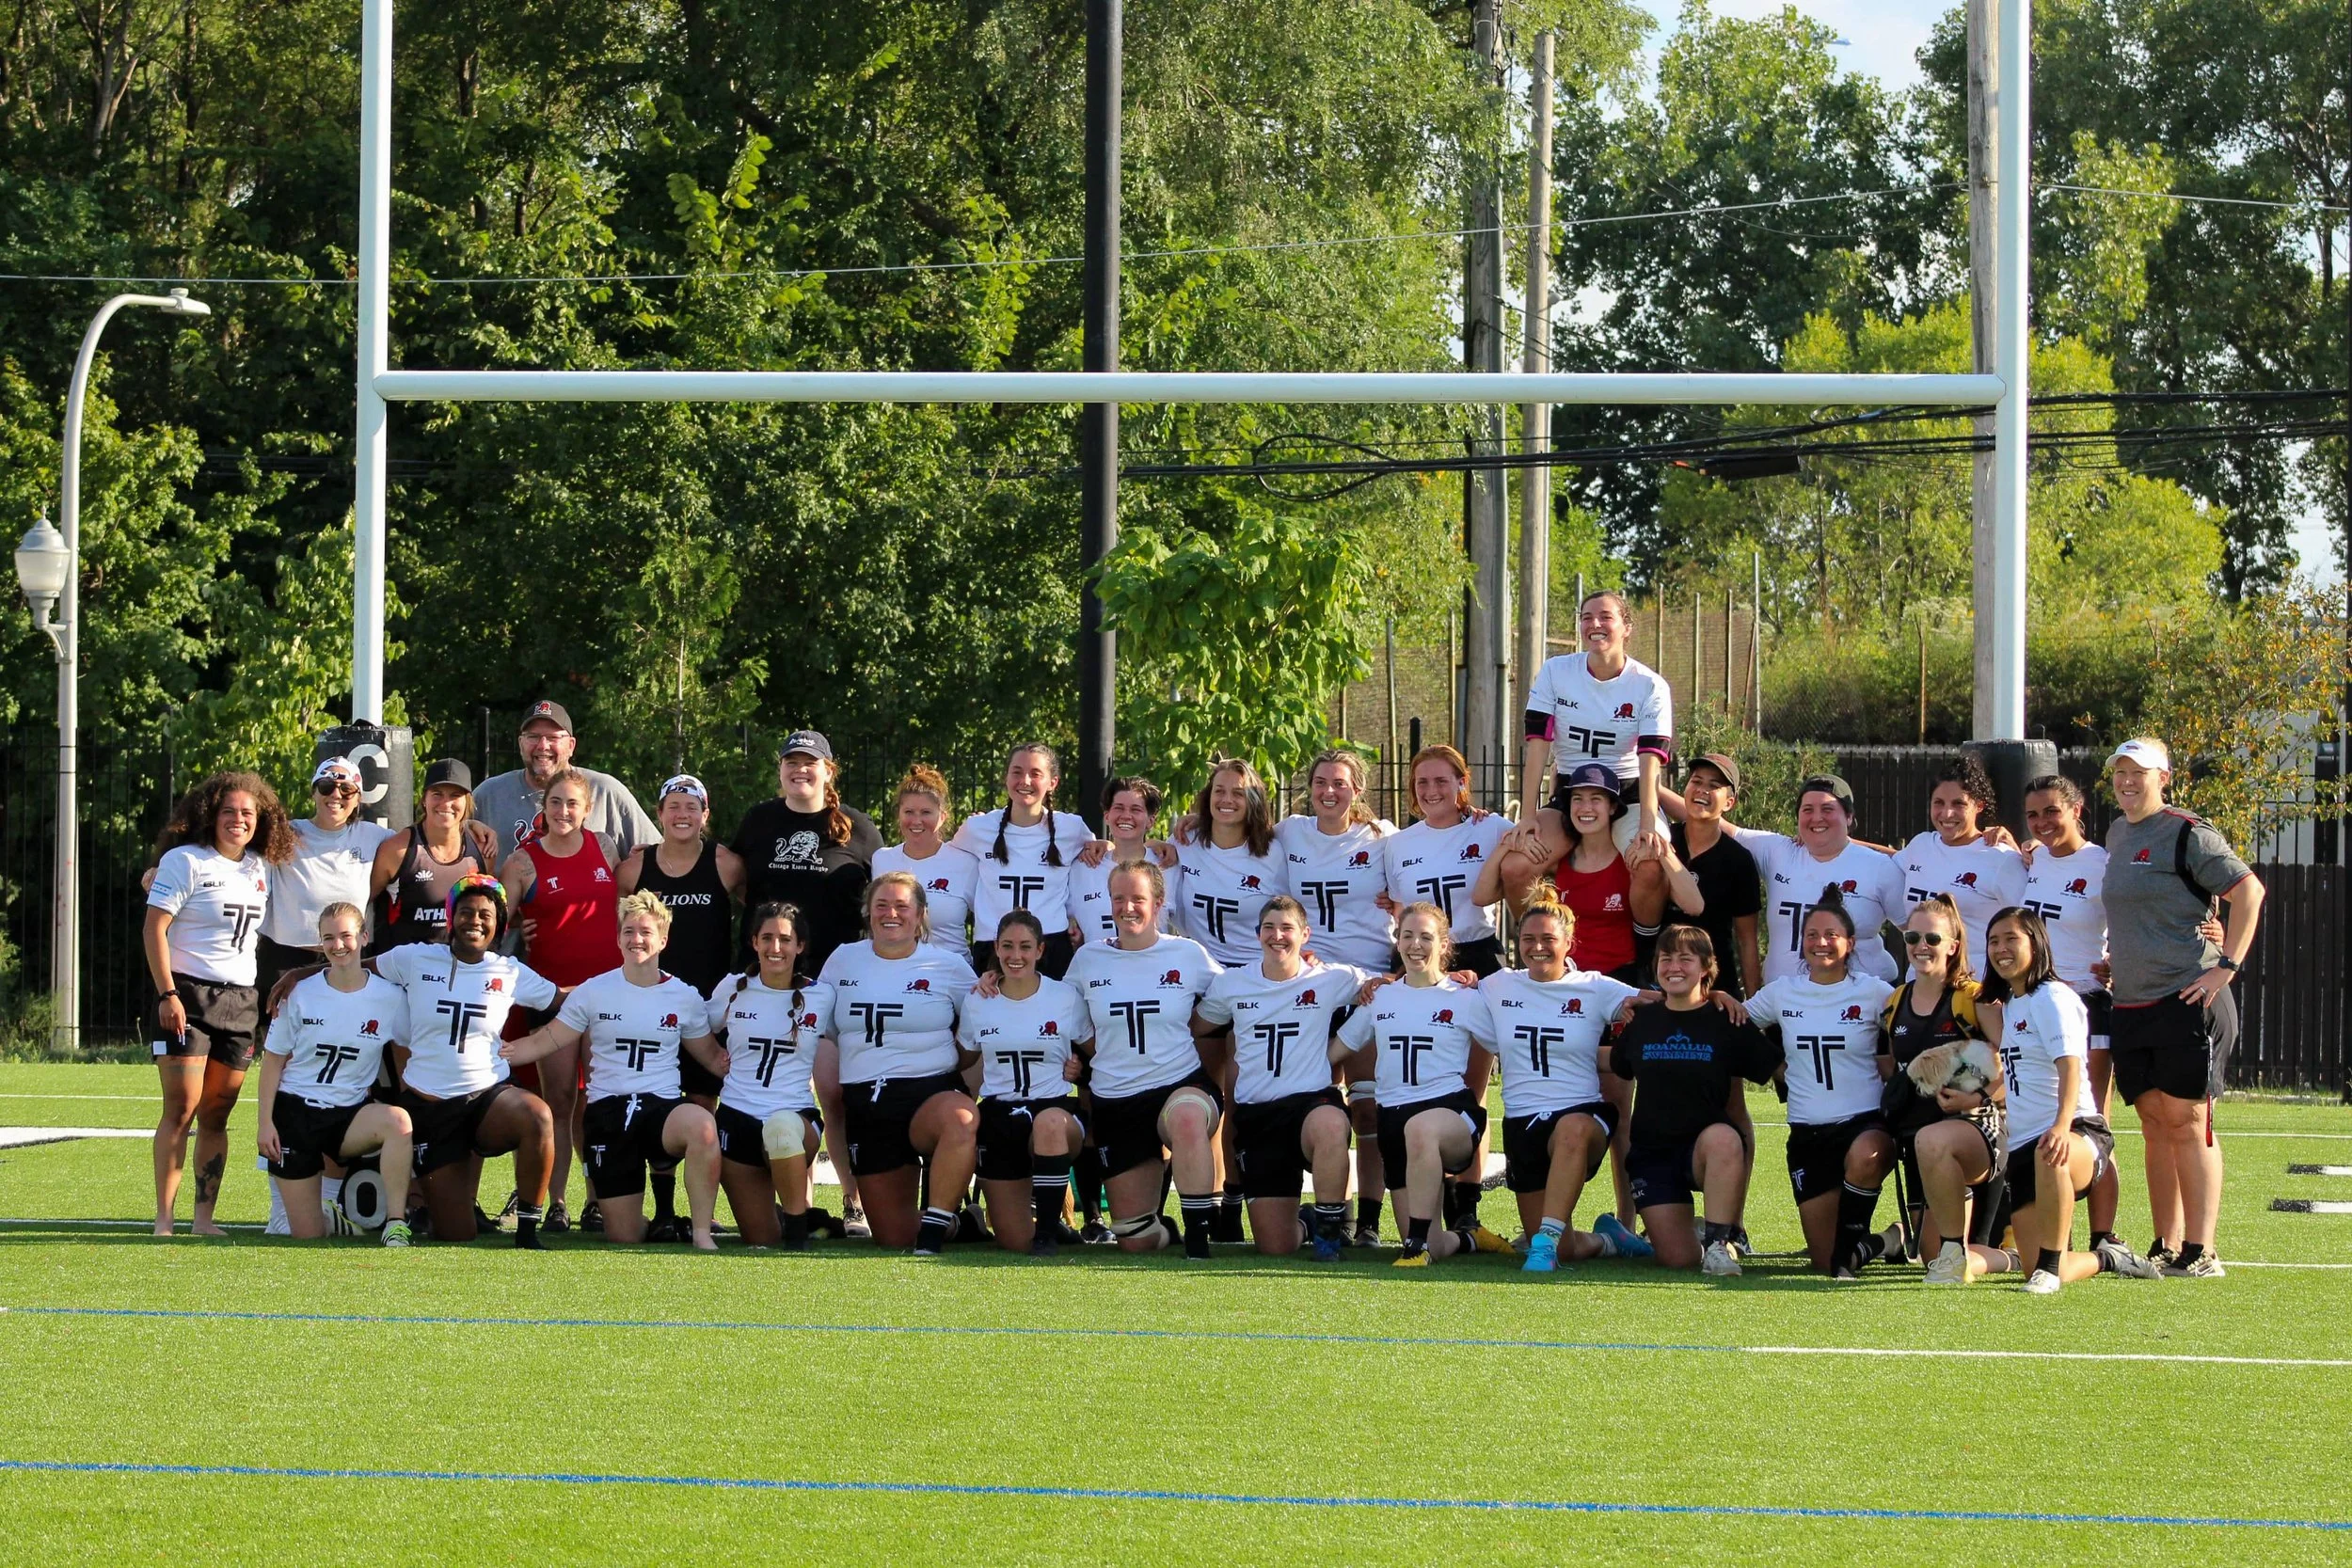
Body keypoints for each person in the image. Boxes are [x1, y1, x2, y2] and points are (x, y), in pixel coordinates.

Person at [2101, 737, 2265, 1278]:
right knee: (2152, 1122)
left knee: (2188, 1121)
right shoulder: (2118, 832)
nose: (2127, 781)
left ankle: (2202, 1249)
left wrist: (2228, 965)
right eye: (2120, 772)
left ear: (2163, 777)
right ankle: (2164, 1244)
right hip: (2130, 1002)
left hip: (2188, 997)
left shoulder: (2188, 831)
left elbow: (2249, 891)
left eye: (2138, 772)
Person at [502, 892, 727, 1250]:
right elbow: (547, 1040)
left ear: (663, 940)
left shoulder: (683, 996)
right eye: (628, 931)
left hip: (660, 1111)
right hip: (608, 1113)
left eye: (645, 932)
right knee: (624, 1236)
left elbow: (713, 1058)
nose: (636, 939)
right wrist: (497, 1055)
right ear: (618, 938)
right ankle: (661, 1224)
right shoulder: (594, 991)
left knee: (702, 1125)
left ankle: (701, 1233)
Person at [730, 729, 884, 1236]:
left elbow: (882, 900)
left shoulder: (859, 829)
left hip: (835, 982)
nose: (801, 770)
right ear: (780, 770)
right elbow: (730, 882)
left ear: (828, 771)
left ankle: (853, 1199)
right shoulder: (759, 821)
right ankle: (796, 1198)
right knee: (770, 1088)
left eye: (810, 762)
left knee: (835, 1094)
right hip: (772, 981)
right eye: (791, 762)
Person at [366, 876, 559, 1247]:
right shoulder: (415, 957)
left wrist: (621, 989)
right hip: (431, 1108)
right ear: (451, 918)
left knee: (538, 1115)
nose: (475, 920)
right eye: (466, 912)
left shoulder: (510, 970)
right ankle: (439, 1200)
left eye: (486, 914)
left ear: (499, 924)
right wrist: (298, 977)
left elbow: (563, 1002)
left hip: (488, 1100)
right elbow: (358, 971)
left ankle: (527, 1232)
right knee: (456, 1234)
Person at [144, 770, 296, 1237]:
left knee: (217, 1114)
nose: (238, 820)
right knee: (182, 1108)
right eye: (229, 811)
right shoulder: (184, 861)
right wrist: (168, 994)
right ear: (211, 815)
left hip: (241, 1000)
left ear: (260, 821)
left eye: (248, 813)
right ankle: (165, 1218)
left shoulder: (261, 866)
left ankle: (203, 1220)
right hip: (189, 994)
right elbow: (154, 929)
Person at [1980, 906, 2161, 1294]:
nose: (2000, 949)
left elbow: (2071, 1067)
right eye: (1993, 941)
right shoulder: (2012, 1004)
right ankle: (2108, 1257)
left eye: (2011, 938)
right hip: (2026, 1146)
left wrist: (2061, 1126)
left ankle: (2051, 1265)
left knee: (2050, 1153)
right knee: (2041, 1270)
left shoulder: (2053, 997)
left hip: (2076, 1132)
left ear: (2037, 943)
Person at [1061, 861, 1226, 1258]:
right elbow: (1054, 1010)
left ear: (1158, 902)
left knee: (1187, 1117)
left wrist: (1299, 967)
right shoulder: (1088, 959)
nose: (1128, 907)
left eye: (1138, 898)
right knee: (1135, 1241)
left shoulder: (1187, 954)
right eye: (1119, 898)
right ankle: (1166, 1230)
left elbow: (1236, 992)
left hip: (1179, 1082)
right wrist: (993, 981)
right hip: (1116, 1098)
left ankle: (1200, 1236)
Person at [1480, 888, 1648, 1273]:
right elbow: (1446, 993)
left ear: (1569, 942)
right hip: (1522, 1121)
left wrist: (1716, 997)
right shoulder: (1498, 985)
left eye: (1548, 939)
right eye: (1528, 939)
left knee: (1572, 1130)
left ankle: (1544, 1246)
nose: (1537, 947)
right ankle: (1609, 1240)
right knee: (1568, 1247)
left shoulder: (1595, 986)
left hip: (1582, 1113)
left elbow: (1658, 1002)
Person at [1334, 903, 1512, 1267]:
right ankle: (1466, 1239)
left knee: (1421, 1129)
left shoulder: (1463, 996)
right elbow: (1338, 1049)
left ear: (1444, 945)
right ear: (1397, 941)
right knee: (1434, 1240)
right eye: (1408, 935)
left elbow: (1507, 1045)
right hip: (1392, 1121)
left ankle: (1415, 1248)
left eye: (1426, 937)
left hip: (1451, 1113)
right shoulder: (1380, 996)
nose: (1416, 944)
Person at [815, 871, 982, 1255]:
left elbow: (982, 1023)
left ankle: (936, 1227)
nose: (892, 914)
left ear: (921, 914)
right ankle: (963, 1222)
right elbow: (821, 1027)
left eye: (902, 906)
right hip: (867, 1102)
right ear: (868, 913)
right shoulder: (843, 959)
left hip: (929, 1092)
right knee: (892, 1237)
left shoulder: (949, 966)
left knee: (962, 1119)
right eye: (882, 905)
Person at [1382, 744, 1510, 1231]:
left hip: (1475, 956)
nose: (1432, 790)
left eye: (1442, 780)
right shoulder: (1397, 844)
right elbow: (1392, 904)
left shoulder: (1491, 826)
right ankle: (1420, 1197)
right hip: (1418, 960)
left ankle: (1467, 1209)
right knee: (1419, 1078)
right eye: (1422, 782)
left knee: (1471, 1089)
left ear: (1462, 783)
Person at [1194, 896, 1362, 1259]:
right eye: (1269, 928)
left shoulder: (1332, 978)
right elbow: (1197, 1025)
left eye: (1287, 928)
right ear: (1258, 934)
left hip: (1311, 1103)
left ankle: (1331, 1235)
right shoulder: (1232, 984)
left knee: (1332, 1125)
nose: (1277, 936)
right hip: (1260, 1115)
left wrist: (1450, 979)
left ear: (1305, 934)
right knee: (1276, 1246)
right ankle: (1307, 1222)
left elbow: (1384, 990)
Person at [1274, 749, 1394, 1242]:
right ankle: (1331, 1214)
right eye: (1320, 781)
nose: (1329, 790)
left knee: (1366, 1107)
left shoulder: (1384, 838)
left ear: (1357, 790)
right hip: (1310, 986)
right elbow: (1234, 830)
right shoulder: (1290, 832)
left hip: (1366, 987)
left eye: (1340, 783)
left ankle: (1367, 1222)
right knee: (1314, 1102)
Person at [1611, 925, 1778, 1276]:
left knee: (1724, 1137)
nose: (1674, 967)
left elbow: (1776, 1067)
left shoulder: (1727, 1017)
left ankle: (1718, 1244)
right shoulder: (1641, 1019)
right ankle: (1693, 1232)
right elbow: (1616, 1066)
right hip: (1652, 1155)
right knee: (1678, 1259)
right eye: (1666, 958)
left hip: (1704, 1152)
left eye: (1685, 959)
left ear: (1706, 967)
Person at [1746, 883, 1896, 1276]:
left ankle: (1854, 1247)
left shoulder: (1875, 992)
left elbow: (1913, 1027)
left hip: (1863, 1125)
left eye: (1831, 935)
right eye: (1812, 935)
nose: (1821, 943)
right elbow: (1735, 1028)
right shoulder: (1782, 993)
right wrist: (1776, 1069)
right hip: (1808, 1133)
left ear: (1849, 943)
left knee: (1867, 1157)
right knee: (1823, 1260)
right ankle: (1887, 1240)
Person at [499, 766, 624, 1233]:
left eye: (573, 804)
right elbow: (492, 918)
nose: (564, 811)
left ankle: (596, 1199)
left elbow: (633, 901)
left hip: (605, 992)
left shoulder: (605, 848)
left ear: (586, 809)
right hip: (552, 996)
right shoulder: (524, 862)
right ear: (543, 808)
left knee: (597, 1099)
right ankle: (555, 1201)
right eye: (555, 803)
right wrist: (514, 925)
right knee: (558, 1099)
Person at [254, 902, 415, 1244]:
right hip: (295, 1113)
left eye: (346, 936)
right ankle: (328, 1217)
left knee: (399, 1122)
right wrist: (264, 1123)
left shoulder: (390, 998)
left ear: (364, 937)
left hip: (348, 1116)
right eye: (329, 938)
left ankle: (396, 1224)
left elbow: (417, 1044)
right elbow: (272, 1061)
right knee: (305, 1236)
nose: (338, 945)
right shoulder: (300, 993)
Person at [1879, 896, 2013, 1285]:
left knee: (1949, 1259)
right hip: (1917, 1140)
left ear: (1953, 945)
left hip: (1977, 1132)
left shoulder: (1975, 997)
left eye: (1933, 939)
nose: (1921, 946)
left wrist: (1977, 1097)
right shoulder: (1895, 1001)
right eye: (1912, 936)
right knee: (1930, 1258)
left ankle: (2011, 1257)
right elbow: (1890, 1065)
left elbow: (2013, 1064)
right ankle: (2006, 1255)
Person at [958, 911, 1094, 1256]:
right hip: (999, 1113)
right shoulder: (978, 999)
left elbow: (1096, 1050)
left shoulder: (1064, 997)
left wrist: (1080, 1068)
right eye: (1007, 946)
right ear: (996, 948)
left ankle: (1047, 1232)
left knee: (1049, 1124)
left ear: (1040, 950)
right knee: (1014, 1241)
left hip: (1054, 1109)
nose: (1015, 956)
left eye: (1025, 946)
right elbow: (962, 1058)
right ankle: (1049, 1226)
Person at [618, 773, 747, 1114]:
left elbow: (761, 915)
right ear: (659, 814)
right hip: (650, 1003)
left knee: (703, 1101)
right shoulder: (634, 869)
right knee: (651, 1099)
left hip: (708, 1006)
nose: (682, 814)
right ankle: (661, 1170)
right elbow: (606, 920)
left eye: (692, 807)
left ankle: (703, 1168)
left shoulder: (726, 865)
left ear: (705, 815)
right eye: (673, 806)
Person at [706, 901, 832, 1249]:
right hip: (736, 1117)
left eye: (785, 939)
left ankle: (797, 1230)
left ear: (800, 946)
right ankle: (798, 1220)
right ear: (754, 942)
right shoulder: (732, 987)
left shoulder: (822, 995)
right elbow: (693, 1026)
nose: (776, 948)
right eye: (767, 938)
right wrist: (714, 1057)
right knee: (760, 1238)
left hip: (794, 1118)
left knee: (780, 1127)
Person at [1703, 774, 1907, 986]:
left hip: (1862, 1005)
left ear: (1848, 816)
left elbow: (1917, 929)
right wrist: (1664, 780)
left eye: (1828, 809)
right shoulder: (1778, 852)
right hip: (1783, 1005)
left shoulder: (1879, 866)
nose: (1817, 818)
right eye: (1807, 810)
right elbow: (1709, 822)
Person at [1519, 590, 1674, 861]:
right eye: (1587, 617)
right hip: (1571, 793)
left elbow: (1651, 762)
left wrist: (1648, 826)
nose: (1595, 625)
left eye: (1605, 617)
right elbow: (1537, 747)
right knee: (1517, 864)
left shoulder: (1650, 685)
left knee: (1649, 860)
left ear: (1627, 628)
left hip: (1629, 794)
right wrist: (1527, 816)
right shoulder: (1555, 671)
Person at [952, 742, 1097, 977]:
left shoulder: (1071, 828)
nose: (1025, 781)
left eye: (1035, 774)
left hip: (1050, 948)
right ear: (1006, 777)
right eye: (1017, 772)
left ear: (1053, 783)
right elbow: (945, 858)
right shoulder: (978, 828)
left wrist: (1148, 844)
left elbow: (1103, 853)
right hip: (993, 948)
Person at [472, 698, 658, 862]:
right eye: (533, 737)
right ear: (521, 743)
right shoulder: (489, 794)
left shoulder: (604, 791)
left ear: (571, 746)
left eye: (553, 738)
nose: (543, 746)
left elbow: (657, 854)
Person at [1895, 753, 2026, 959]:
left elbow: (2032, 925)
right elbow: (1887, 859)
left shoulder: (2002, 859)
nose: (1947, 813)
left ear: (1979, 805)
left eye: (1959, 804)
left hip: (1975, 984)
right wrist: (1838, 840)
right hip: (1921, 983)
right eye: (1939, 803)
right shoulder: (1920, 846)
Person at [368, 759, 501, 953]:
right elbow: (364, 900)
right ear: (424, 799)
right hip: (404, 969)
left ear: (467, 801)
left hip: (458, 967)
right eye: (437, 794)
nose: (446, 803)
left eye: (455, 795)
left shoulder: (482, 848)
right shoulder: (398, 850)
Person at [871, 765, 981, 960]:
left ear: (942, 817)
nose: (916, 821)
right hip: (895, 969)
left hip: (951, 976)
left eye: (926, 813)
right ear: (899, 814)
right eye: (909, 812)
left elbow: (987, 922)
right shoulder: (882, 859)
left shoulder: (966, 863)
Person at [1072, 776, 1170, 946]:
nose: (1126, 816)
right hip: (1097, 969)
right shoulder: (1082, 867)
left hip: (1152, 969)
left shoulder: (1168, 866)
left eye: (1135, 810)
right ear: (1107, 816)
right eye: (1119, 808)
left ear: (1151, 821)